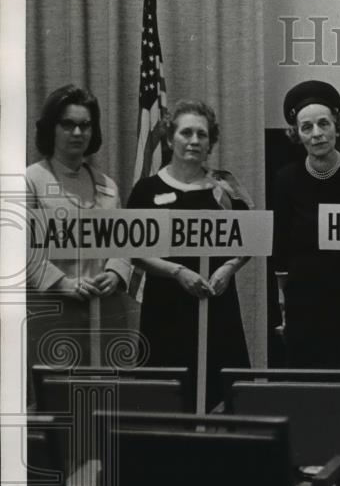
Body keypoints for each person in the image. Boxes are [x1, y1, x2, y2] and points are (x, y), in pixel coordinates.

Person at [127, 100, 252, 407]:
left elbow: (252, 238)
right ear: (170, 138)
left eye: (202, 134)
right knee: (167, 394)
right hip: (167, 307)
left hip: (216, 301)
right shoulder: (147, 190)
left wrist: (230, 267)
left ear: (211, 141)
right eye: (186, 133)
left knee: (219, 393)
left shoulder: (225, 188)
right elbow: (132, 250)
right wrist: (177, 272)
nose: (194, 140)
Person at [26, 85, 131, 392]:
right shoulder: (30, 180)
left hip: (105, 310)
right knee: (61, 401)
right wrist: (63, 284)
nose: (77, 132)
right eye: (67, 124)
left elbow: (123, 242)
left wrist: (115, 272)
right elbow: (18, 249)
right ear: (51, 128)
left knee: (108, 397)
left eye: (85, 125)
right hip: (54, 309)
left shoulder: (107, 185)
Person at [273, 80, 340, 368]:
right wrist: (284, 309)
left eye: (324, 124)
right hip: (303, 302)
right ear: (297, 134)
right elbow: (280, 248)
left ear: (337, 126)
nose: (317, 134)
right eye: (307, 127)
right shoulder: (285, 179)